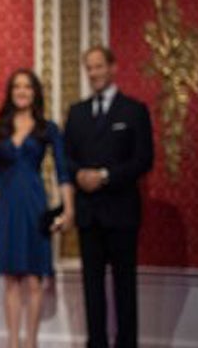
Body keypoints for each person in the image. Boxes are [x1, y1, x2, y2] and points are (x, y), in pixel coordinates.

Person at [64, 47, 153, 348]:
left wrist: (104, 176)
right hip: (88, 214)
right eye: (89, 68)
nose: (93, 73)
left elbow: (143, 160)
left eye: (99, 66)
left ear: (113, 68)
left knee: (124, 286)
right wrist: (79, 174)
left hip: (122, 213)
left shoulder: (134, 110)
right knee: (92, 287)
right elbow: (67, 158)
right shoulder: (77, 112)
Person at [0, 69, 74, 348]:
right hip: (7, 206)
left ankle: (31, 343)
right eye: (17, 87)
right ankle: (13, 343)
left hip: (35, 205)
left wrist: (69, 210)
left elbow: (62, 171)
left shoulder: (48, 129)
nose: (22, 91)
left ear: (35, 93)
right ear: (10, 93)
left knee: (34, 280)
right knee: (11, 279)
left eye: (27, 87)